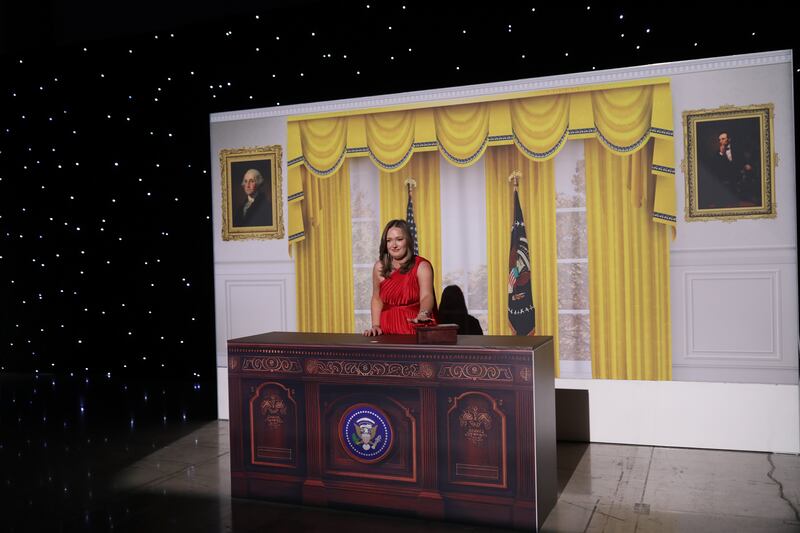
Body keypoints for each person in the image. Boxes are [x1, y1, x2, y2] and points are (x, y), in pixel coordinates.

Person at [363, 219, 437, 336]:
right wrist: (375, 326)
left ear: (408, 241)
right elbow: (377, 298)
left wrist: (423, 313)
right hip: (386, 332)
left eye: (399, 239)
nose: (394, 245)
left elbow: (427, 296)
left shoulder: (422, 266)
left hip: (414, 330)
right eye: (389, 240)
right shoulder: (379, 267)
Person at [698, 131, 760, 209]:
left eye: (723, 139)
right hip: (725, 175)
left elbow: (742, 159)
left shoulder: (737, 149)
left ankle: (748, 198)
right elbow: (716, 166)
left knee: (747, 175)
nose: (721, 141)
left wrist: (746, 165)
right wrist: (721, 153)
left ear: (729, 139)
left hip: (737, 172)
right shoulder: (718, 153)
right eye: (720, 140)